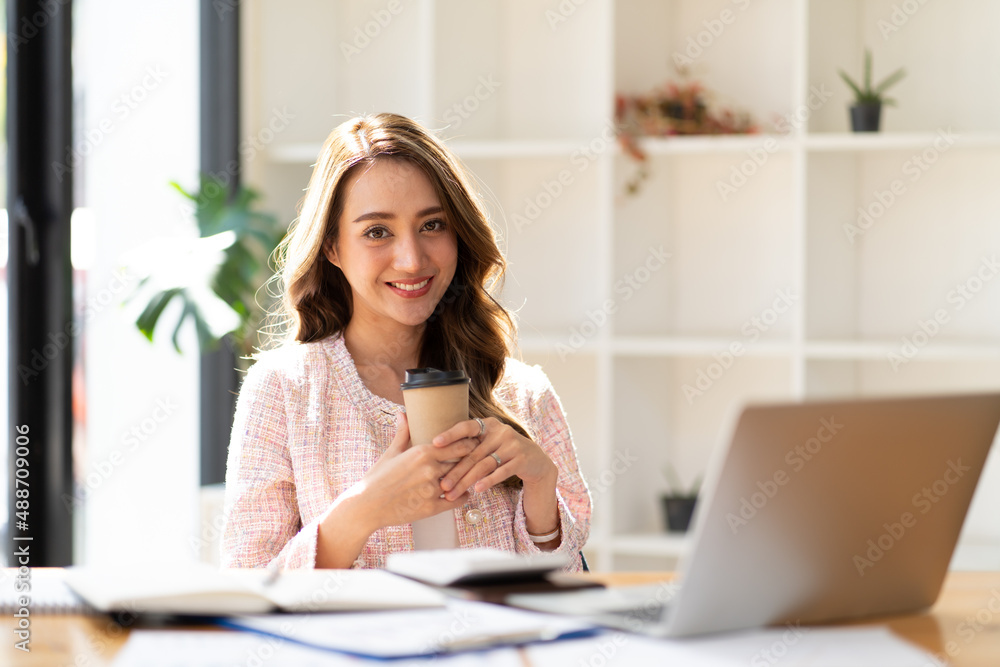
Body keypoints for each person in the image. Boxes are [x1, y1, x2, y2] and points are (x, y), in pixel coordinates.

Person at [221, 113, 590, 570]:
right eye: (377, 232)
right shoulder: (283, 390)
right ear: (332, 247)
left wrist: (540, 487)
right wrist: (362, 511)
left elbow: (567, 595)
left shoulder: (524, 395)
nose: (412, 259)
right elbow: (249, 592)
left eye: (432, 225)